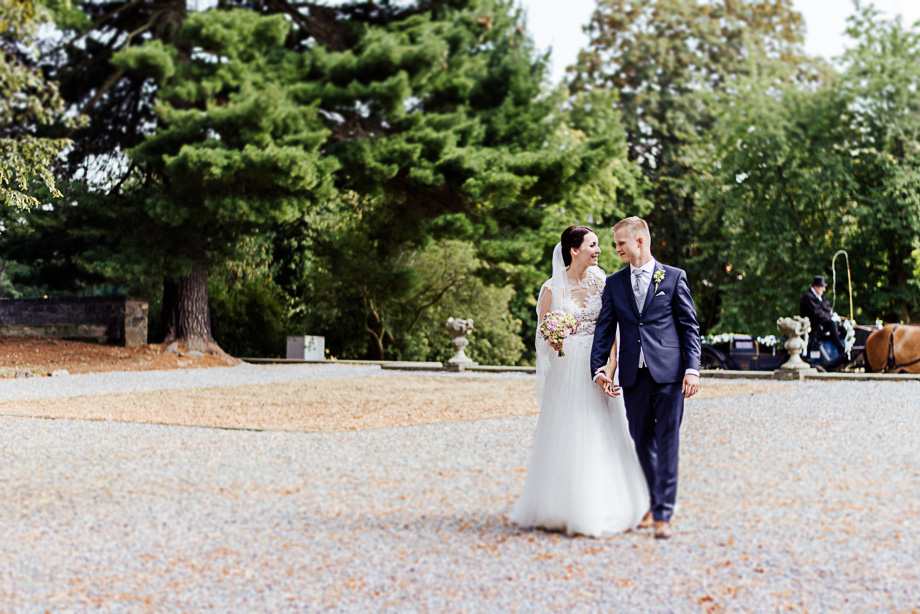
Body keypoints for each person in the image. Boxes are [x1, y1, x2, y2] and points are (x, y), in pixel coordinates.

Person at [510, 226, 649, 538]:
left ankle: (610, 502)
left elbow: (614, 328)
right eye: (593, 245)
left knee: (604, 427)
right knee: (568, 429)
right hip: (567, 366)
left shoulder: (603, 282)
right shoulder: (551, 289)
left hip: (597, 365)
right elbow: (543, 336)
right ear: (574, 250)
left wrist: (610, 367)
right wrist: (556, 334)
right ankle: (561, 505)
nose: (599, 251)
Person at [591, 217, 701, 540]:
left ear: (639, 242)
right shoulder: (614, 284)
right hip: (633, 377)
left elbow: (689, 328)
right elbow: (604, 329)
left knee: (667, 442)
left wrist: (692, 369)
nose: (615, 249)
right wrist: (599, 368)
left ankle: (663, 513)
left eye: (620, 243)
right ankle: (656, 501)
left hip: (670, 375)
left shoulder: (674, 278)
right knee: (641, 441)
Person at [799, 275, 846, 358]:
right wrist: (830, 317)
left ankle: (846, 345)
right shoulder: (808, 297)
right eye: (823, 287)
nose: (824, 290)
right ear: (816, 287)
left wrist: (835, 315)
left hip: (823, 322)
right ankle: (839, 348)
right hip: (815, 325)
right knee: (832, 324)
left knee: (842, 325)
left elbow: (827, 309)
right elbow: (817, 313)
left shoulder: (820, 297)